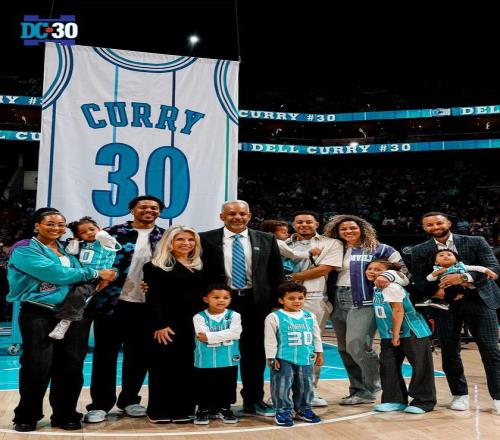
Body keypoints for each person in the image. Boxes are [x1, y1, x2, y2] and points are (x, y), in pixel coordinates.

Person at [6, 210, 116, 432]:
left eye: (61, 224)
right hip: (38, 311)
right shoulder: (24, 248)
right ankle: (27, 415)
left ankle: (65, 413)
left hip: (74, 313)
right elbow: (55, 273)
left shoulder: (69, 248)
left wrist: (111, 272)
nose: (56, 228)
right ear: (37, 225)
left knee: (71, 364)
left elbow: (102, 261)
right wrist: (95, 274)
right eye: (50, 223)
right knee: (37, 365)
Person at [84, 195, 165, 423]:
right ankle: (100, 404)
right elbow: (92, 262)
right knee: (105, 355)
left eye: (154, 208)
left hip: (146, 306)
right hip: (111, 304)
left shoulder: (165, 237)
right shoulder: (112, 233)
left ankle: (130, 400)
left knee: (139, 356)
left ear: (159, 212)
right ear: (132, 210)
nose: (149, 210)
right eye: (143, 206)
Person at [200, 200, 284, 417]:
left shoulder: (266, 239)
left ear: (249, 216)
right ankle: (217, 402)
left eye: (242, 214)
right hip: (220, 304)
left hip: (256, 304)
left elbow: (276, 274)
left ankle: (253, 400)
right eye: (231, 214)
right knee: (219, 352)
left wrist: (277, 305)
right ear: (222, 216)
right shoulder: (205, 239)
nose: (237, 217)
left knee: (255, 354)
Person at [411, 212, 500, 414]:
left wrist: (464, 278)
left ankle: (498, 397)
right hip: (445, 304)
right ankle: (460, 395)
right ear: (424, 228)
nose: (435, 227)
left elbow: (492, 267)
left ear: (449, 223)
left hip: (480, 300)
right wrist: (437, 291)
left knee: (490, 350)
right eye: (429, 225)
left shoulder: (475, 241)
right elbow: (420, 280)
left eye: (439, 223)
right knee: (450, 351)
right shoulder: (420, 250)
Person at [324, 214, 408, 405]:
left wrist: (388, 276)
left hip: (365, 301)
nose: (348, 231)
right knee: (345, 349)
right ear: (336, 232)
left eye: (352, 227)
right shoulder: (334, 249)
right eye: (343, 229)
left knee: (357, 345)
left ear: (362, 229)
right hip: (337, 299)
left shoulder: (382, 249)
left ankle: (374, 385)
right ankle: (358, 390)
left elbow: (404, 272)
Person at [143, 225, 205, 423]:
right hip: (167, 324)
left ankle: (183, 409)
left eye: (190, 239)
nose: (186, 243)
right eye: (180, 239)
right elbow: (153, 299)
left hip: (194, 324)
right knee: (163, 367)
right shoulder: (155, 266)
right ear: (169, 242)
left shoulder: (201, 266)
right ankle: (158, 410)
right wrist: (159, 324)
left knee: (187, 367)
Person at [286, 210, 343, 406]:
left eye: (308, 222)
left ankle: (309, 391)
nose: (304, 225)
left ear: (317, 224)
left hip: (314, 298)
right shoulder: (284, 244)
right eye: (300, 222)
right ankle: (283, 391)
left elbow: (324, 269)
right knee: (285, 346)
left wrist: (290, 278)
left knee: (311, 345)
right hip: (283, 299)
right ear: (293, 225)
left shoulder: (332, 243)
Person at [366, 260, 436, 414]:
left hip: (412, 332)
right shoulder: (376, 288)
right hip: (389, 334)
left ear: (388, 273)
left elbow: (398, 311)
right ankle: (394, 400)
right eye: (370, 268)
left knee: (420, 367)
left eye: (378, 269)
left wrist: (396, 334)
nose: (372, 271)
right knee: (388, 366)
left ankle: (424, 401)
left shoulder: (392, 287)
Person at [48, 216, 122, 339]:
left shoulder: (105, 242)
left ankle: (65, 322)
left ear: (99, 229)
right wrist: (76, 239)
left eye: (92, 229)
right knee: (67, 293)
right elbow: (71, 252)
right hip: (79, 275)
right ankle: (58, 315)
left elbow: (105, 236)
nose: (89, 233)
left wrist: (98, 232)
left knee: (79, 293)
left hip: (96, 277)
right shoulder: (82, 244)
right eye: (83, 232)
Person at [265, 282, 323, 427]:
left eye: (300, 298)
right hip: (283, 358)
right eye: (291, 298)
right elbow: (270, 339)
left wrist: (319, 353)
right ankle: (283, 411)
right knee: (282, 386)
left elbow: (316, 336)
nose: (297, 301)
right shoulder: (274, 317)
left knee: (305, 385)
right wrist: (271, 357)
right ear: (281, 300)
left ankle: (304, 409)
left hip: (305, 357)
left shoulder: (310, 316)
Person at [193, 284, 241, 425]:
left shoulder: (234, 315)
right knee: (205, 385)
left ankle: (225, 409)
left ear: (230, 299)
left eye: (226, 297)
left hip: (228, 358)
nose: (221, 300)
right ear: (206, 299)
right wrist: (226, 335)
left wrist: (211, 336)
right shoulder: (199, 317)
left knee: (228, 385)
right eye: (216, 297)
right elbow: (201, 336)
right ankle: (203, 409)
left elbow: (236, 333)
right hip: (205, 359)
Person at [417, 249, 498, 311]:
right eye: (441, 255)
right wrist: (436, 273)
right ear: (436, 262)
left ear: (456, 260)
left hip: (457, 285)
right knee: (430, 286)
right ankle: (427, 299)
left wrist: (487, 271)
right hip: (441, 285)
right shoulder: (437, 269)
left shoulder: (461, 266)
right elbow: (429, 279)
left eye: (449, 255)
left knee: (454, 290)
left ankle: (445, 302)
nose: (446, 256)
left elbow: (476, 268)